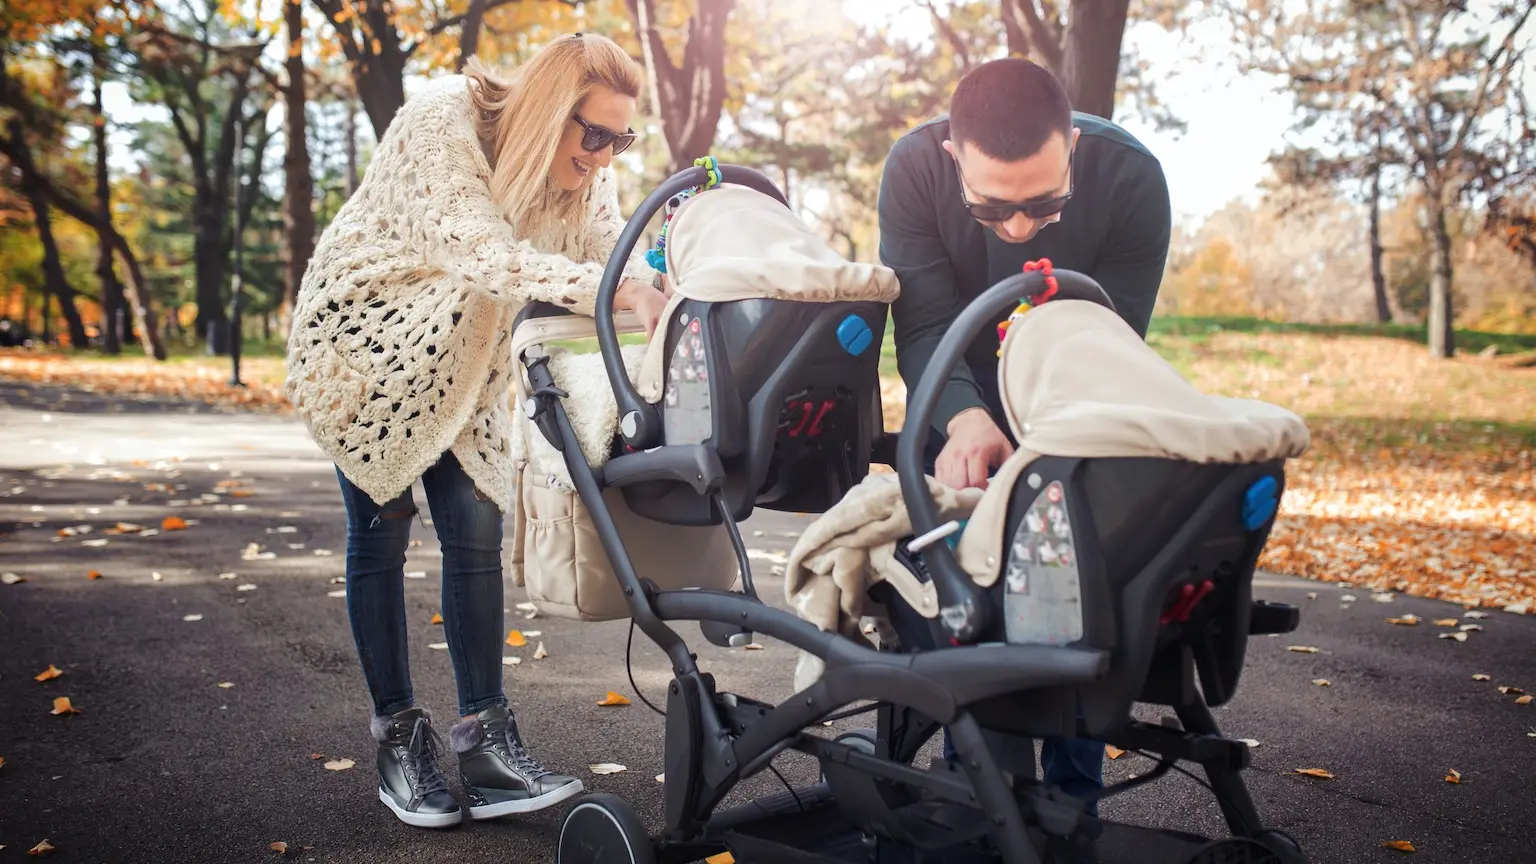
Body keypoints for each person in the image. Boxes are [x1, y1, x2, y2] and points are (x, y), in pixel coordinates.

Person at [284, 33, 669, 829]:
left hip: (472, 358)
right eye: (592, 132)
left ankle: (487, 747)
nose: (604, 155)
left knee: (474, 533)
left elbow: (611, 264)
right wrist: (615, 287)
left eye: (620, 138)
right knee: (381, 530)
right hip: (369, 342)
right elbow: (480, 250)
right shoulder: (440, 119)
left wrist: (657, 292)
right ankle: (398, 738)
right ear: (545, 111)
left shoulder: (589, 176)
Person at [876, 58, 1172, 818]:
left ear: (1072, 144)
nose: (1015, 227)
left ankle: (1072, 804)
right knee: (962, 569)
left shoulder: (1134, 180)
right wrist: (964, 418)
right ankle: (980, 795)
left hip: (1074, 388)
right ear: (953, 157)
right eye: (990, 208)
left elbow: (1108, 341)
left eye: (1044, 204)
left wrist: (1040, 459)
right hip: (953, 387)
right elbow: (923, 324)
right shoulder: (913, 167)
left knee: (1074, 566)